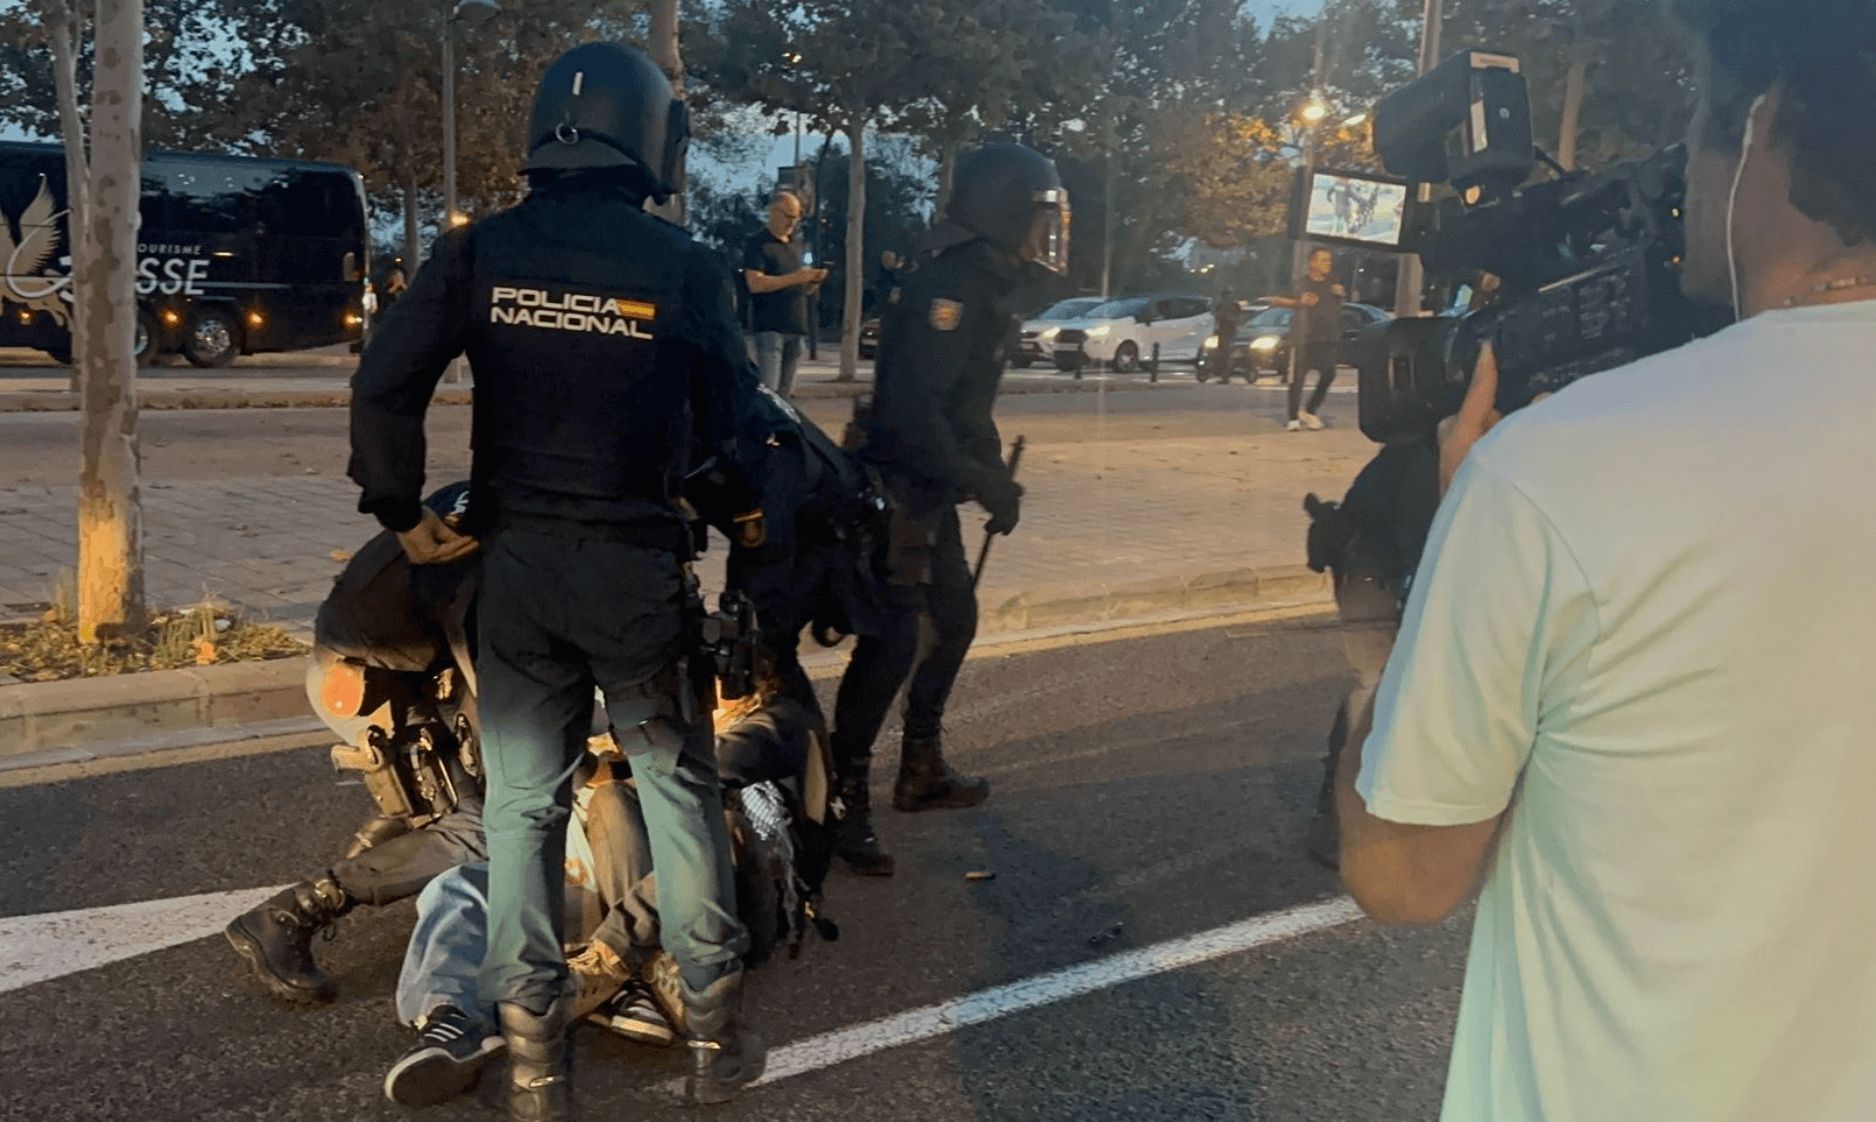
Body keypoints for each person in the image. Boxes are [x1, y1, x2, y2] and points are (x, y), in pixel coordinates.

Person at [1337, 2, 1876, 1118]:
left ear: (1761, 128)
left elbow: (1403, 875)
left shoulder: (1559, 474)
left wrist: (1393, 640)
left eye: (1695, 134)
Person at [348, 41, 767, 1119]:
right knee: (677, 791)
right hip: (633, 574)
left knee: (523, 812)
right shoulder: (683, 266)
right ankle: (714, 1040)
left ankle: (536, 1068)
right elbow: (731, 429)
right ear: (650, 139)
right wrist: (738, 511)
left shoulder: (481, 252)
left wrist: (400, 510)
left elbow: (386, 379)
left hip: (518, 573)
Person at [828, 143, 1070, 871]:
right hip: (899, 491)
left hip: (930, 490)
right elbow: (914, 415)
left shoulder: (985, 284)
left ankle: (921, 767)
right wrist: (983, 481)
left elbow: (968, 408)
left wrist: (992, 476)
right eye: (1038, 218)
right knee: (895, 641)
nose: (1045, 234)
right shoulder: (952, 290)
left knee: (955, 620)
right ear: (1003, 212)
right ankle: (843, 797)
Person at [742, 191, 827, 396]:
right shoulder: (758, 243)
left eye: (796, 217)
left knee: (785, 397)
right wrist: (796, 278)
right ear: (773, 212)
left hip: (796, 329)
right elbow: (755, 283)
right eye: (788, 216)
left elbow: (801, 281)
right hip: (771, 329)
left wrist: (812, 282)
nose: (792, 223)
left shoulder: (798, 245)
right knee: (769, 394)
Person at [1269, 247, 1344, 430]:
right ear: (1312, 262)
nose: (1328, 264)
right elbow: (1275, 300)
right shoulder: (1301, 283)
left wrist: (1341, 294)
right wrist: (1299, 302)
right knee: (1297, 379)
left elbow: (1337, 304)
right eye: (1323, 260)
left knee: (1329, 373)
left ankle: (1310, 410)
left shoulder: (1333, 282)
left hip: (1327, 338)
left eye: (1329, 260)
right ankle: (1293, 418)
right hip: (1302, 339)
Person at [1207, 286, 1242, 384]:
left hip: (1227, 333)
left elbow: (1219, 316)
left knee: (1226, 356)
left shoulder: (1229, 305)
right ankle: (1223, 375)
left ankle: (1225, 377)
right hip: (1225, 333)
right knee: (1223, 355)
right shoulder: (1232, 305)